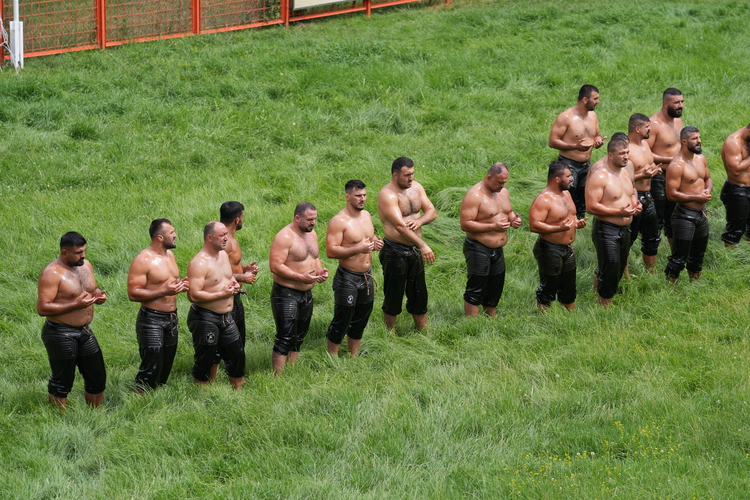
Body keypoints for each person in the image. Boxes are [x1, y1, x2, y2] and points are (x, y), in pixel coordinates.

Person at [37, 232, 107, 409]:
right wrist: (75, 304)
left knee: (97, 375)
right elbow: (43, 308)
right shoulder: (52, 273)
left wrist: (98, 295)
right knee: (63, 380)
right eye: (78, 252)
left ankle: (94, 415)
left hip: (84, 330)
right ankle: (58, 420)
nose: (82, 255)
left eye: (83, 251)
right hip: (59, 333)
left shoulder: (86, 266)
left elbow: (93, 288)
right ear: (64, 252)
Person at [127, 219, 189, 392]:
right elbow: (133, 293)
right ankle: (139, 404)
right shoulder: (143, 260)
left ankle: (156, 400)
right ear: (160, 237)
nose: (175, 235)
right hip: (151, 319)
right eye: (172, 233)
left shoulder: (170, 256)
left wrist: (179, 285)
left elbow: (168, 284)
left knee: (165, 364)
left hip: (171, 317)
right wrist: (164, 291)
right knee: (151, 365)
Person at [377, 157, 437, 330]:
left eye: (412, 174)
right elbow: (400, 226)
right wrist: (423, 245)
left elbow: (432, 211)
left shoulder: (416, 188)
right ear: (395, 175)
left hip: (414, 248)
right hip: (394, 250)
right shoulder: (387, 195)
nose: (411, 178)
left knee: (419, 292)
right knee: (394, 294)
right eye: (406, 175)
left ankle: (423, 331)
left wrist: (420, 222)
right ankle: (390, 334)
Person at [269, 202, 328, 375]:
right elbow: (275, 266)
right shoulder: (285, 237)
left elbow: (315, 257)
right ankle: (278, 377)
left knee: (299, 336)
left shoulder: (312, 234)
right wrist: (300, 277)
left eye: (315, 219)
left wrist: (320, 271)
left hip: (306, 293)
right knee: (285, 336)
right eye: (310, 219)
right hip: (286, 293)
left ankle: (292, 371)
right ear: (297, 218)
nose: (313, 223)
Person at [325, 180, 383, 357]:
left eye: (364, 195)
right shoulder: (338, 221)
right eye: (358, 196)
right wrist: (358, 248)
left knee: (362, 317)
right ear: (347, 196)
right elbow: (331, 250)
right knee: (343, 318)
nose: (362, 199)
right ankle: (331, 356)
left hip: (366, 276)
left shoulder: (366, 216)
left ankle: (353, 355)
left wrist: (376, 242)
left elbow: (369, 238)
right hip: (347, 277)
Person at [585, 133, 642, 306]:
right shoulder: (600, 176)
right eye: (621, 154)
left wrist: (635, 204)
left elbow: (631, 192)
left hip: (625, 228)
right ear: (610, 155)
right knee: (610, 267)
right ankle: (604, 306)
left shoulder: (625, 173)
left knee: (618, 269)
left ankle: (606, 299)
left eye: (627, 152)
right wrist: (618, 211)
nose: (626, 157)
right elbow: (591, 206)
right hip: (606, 229)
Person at [186, 222, 245, 388]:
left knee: (237, 355)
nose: (226, 238)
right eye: (222, 235)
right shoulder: (199, 263)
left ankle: (238, 394)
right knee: (205, 360)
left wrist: (234, 284)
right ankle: (203, 399)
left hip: (227, 317)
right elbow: (193, 295)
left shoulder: (224, 255)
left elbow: (228, 277)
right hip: (205, 317)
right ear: (210, 238)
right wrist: (222, 294)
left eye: (226, 234)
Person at [459, 162, 522, 317]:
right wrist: (492, 227)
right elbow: (465, 224)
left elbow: (508, 211)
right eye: (499, 182)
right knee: (476, 287)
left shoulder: (503, 192)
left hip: (498, 249)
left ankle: (490, 319)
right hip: (478, 247)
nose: (502, 186)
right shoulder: (475, 196)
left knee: (495, 286)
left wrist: (513, 219)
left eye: (505, 182)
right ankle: (470, 324)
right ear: (489, 177)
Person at [209, 202, 259, 380]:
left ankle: (232, 374)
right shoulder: (225, 242)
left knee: (237, 340)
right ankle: (211, 380)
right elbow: (216, 272)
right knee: (220, 343)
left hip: (234, 295)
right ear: (237, 219)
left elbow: (229, 266)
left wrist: (244, 268)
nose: (242, 220)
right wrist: (243, 277)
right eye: (242, 216)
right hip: (224, 297)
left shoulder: (230, 239)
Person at [529, 161, 587, 311]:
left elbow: (571, 216)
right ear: (557, 179)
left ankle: (569, 319)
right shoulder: (543, 200)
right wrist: (558, 228)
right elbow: (534, 225)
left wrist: (576, 223)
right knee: (549, 287)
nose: (571, 179)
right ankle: (544, 321)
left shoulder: (567, 194)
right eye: (568, 176)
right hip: (549, 249)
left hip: (567, 249)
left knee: (569, 288)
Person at [548, 84, 606, 218]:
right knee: (565, 199)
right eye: (595, 98)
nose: (598, 101)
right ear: (585, 100)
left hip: (586, 165)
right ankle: (563, 222)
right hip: (568, 165)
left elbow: (596, 134)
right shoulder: (566, 117)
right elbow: (552, 141)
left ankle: (579, 223)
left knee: (583, 200)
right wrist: (575, 146)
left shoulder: (593, 116)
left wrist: (598, 141)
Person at [665, 126, 713, 283]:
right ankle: (670, 291)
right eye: (695, 139)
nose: (699, 141)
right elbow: (671, 194)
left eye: (699, 138)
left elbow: (708, 178)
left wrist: (707, 190)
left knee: (698, 255)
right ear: (684, 142)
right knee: (679, 257)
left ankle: (695, 286)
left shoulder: (701, 159)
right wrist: (696, 197)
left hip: (701, 214)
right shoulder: (677, 165)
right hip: (684, 215)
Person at [647, 88, 685, 241]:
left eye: (682, 102)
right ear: (665, 103)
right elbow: (645, 153)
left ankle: (675, 255)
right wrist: (672, 160)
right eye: (676, 102)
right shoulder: (654, 124)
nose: (680, 105)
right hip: (659, 177)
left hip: (677, 175)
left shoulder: (678, 120)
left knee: (675, 218)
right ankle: (651, 257)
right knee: (657, 221)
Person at [627, 113, 662, 271]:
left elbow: (650, 163)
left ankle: (651, 272)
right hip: (634, 198)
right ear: (637, 128)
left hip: (649, 197)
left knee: (652, 238)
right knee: (628, 239)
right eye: (647, 127)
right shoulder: (626, 150)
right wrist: (643, 175)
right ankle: (625, 275)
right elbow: (622, 177)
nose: (650, 130)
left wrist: (655, 169)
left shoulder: (645, 145)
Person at [720, 124, 750, 246]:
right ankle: (730, 259)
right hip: (738, 190)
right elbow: (735, 171)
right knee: (735, 230)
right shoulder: (733, 142)